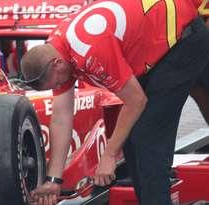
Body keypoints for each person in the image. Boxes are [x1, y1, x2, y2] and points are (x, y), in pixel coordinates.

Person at [20, 0, 209, 204]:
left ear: (56, 64)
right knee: (129, 138)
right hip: (161, 41)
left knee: (147, 136)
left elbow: (136, 100)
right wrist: (53, 180)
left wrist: (109, 155)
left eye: (57, 81)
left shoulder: (88, 50)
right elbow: (60, 118)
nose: (60, 85)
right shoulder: (56, 50)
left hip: (184, 38)